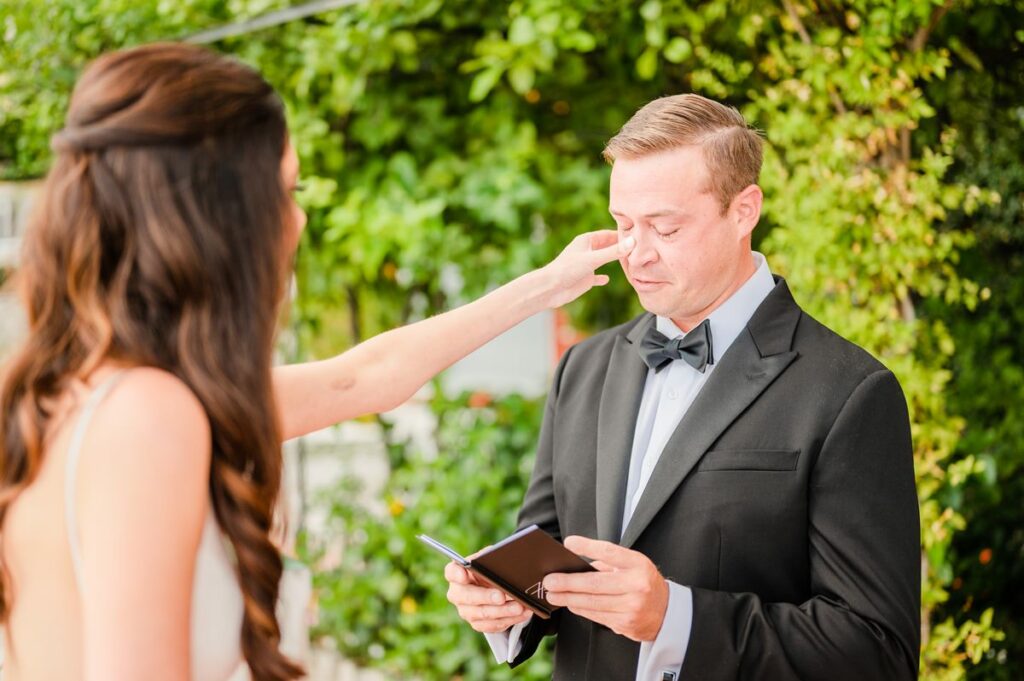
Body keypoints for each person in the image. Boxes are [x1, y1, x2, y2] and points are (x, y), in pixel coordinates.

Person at [0, 43, 633, 681]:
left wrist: (551, 284)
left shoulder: (85, 390)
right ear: (218, 215)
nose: (298, 219)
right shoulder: (148, 416)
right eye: (286, 189)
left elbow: (368, 376)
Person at [444, 93, 921, 680]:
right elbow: (549, 557)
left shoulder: (851, 392)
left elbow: (878, 651)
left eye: (664, 227)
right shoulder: (583, 369)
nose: (636, 255)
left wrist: (677, 618)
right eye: (623, 226)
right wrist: (505, 602)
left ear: (744, 210)